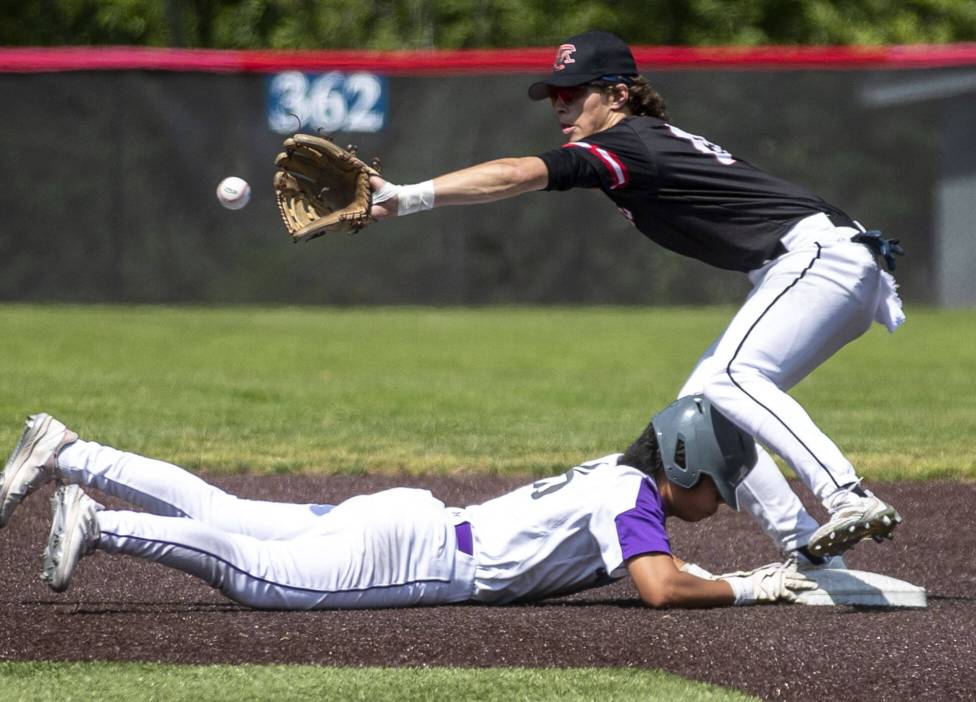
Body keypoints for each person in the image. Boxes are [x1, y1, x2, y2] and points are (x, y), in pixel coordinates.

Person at [368, 30, 905, 567]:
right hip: (828, 263)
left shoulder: (627, 144)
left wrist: (405, 197)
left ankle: (847, 496)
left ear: (619, 95)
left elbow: (514, 174)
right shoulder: (641, 142)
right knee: (706, 409)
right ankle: (812, 557)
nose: (561, 103)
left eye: (575, 91)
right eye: (555, 93)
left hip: (820, 257)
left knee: (729, 379)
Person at [0, 396, 815, 609]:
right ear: (683, 463)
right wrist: (749, 584)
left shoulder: (620, 476)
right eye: (719, 484)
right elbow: (661, 589)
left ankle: (72, 451)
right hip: (418, 553)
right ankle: (103, 521)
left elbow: (654, 559)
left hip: (411, 518)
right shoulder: (633, 499)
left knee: (230, 507)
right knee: (265, 579)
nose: (723, 499)